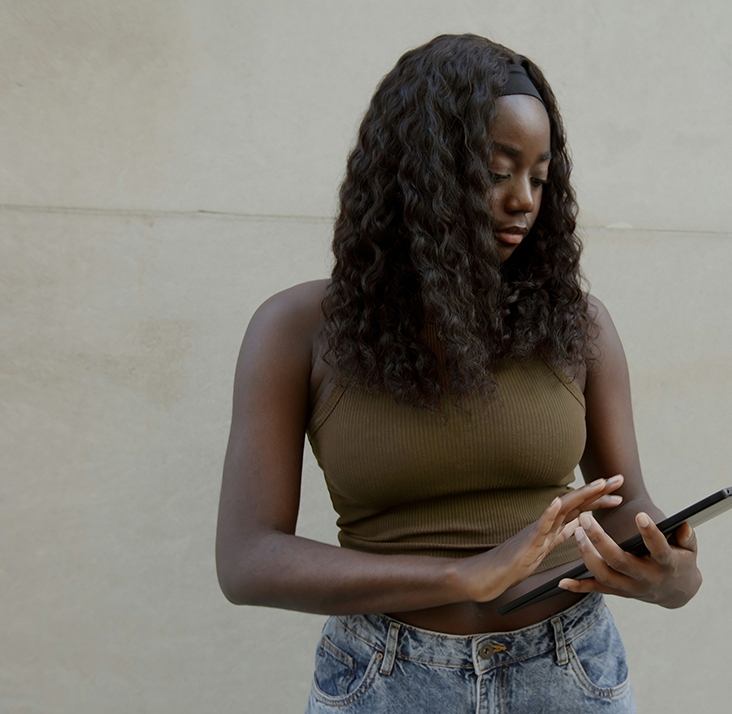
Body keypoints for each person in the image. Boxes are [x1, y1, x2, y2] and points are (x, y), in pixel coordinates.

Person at [215, 33, 702, 713]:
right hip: (384, 677)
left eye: (539, 175)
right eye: (497, 170)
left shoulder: (578, 326)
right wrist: (461, 576)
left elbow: (627, 507)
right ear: (421, 170)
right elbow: (247, 561)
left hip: (567, 673)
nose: (523, 201)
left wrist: (671, 574)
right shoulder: (297, 331)